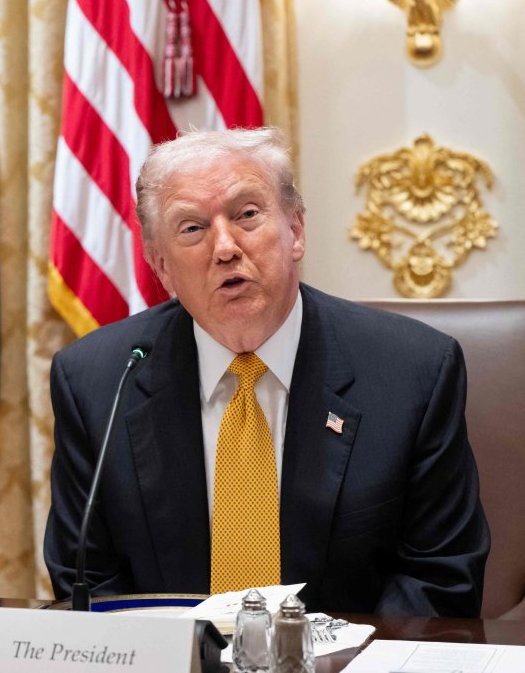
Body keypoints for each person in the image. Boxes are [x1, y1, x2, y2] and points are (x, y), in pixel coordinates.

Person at [44, 127, 489, 617]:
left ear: (295, 230)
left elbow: (440, 578)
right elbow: (89, 582)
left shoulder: (412, 372)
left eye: (247, 215)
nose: (225, 247)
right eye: (191, 228)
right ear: (161, 266)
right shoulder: (96, 381)